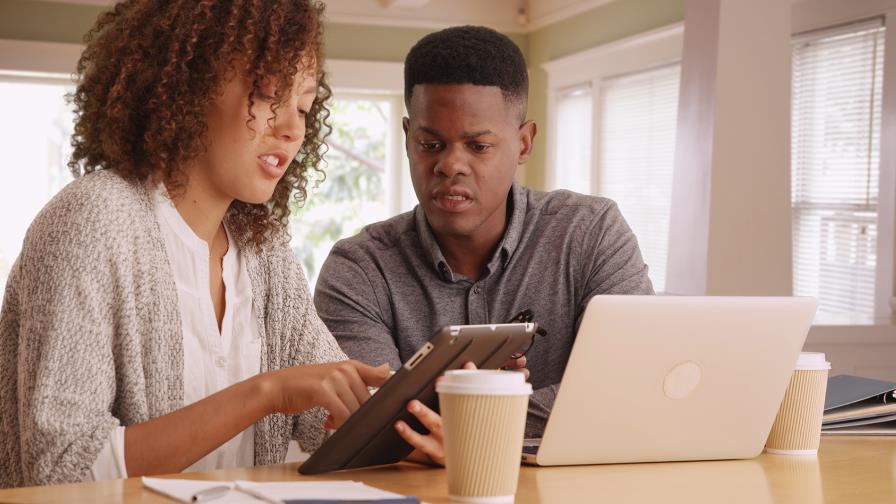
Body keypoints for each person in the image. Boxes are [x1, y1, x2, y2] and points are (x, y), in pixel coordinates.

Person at [0, 0, 446, 488]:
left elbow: (327, 423)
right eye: (268, 94)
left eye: (303, 106)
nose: (293, 129)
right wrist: (265, 392)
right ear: (188, 85)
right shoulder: (93, 220)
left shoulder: (265, 253)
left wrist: (410, 433)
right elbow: (62, 467)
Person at [314, 25, 654, 437]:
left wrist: (465, 414)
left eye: (478, 146)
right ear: (407, 139)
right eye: (431, 144)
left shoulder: (591, 233)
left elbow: (630, 389)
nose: (450, 166)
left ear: (524, 143)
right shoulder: (359, 269)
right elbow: (375, 428)